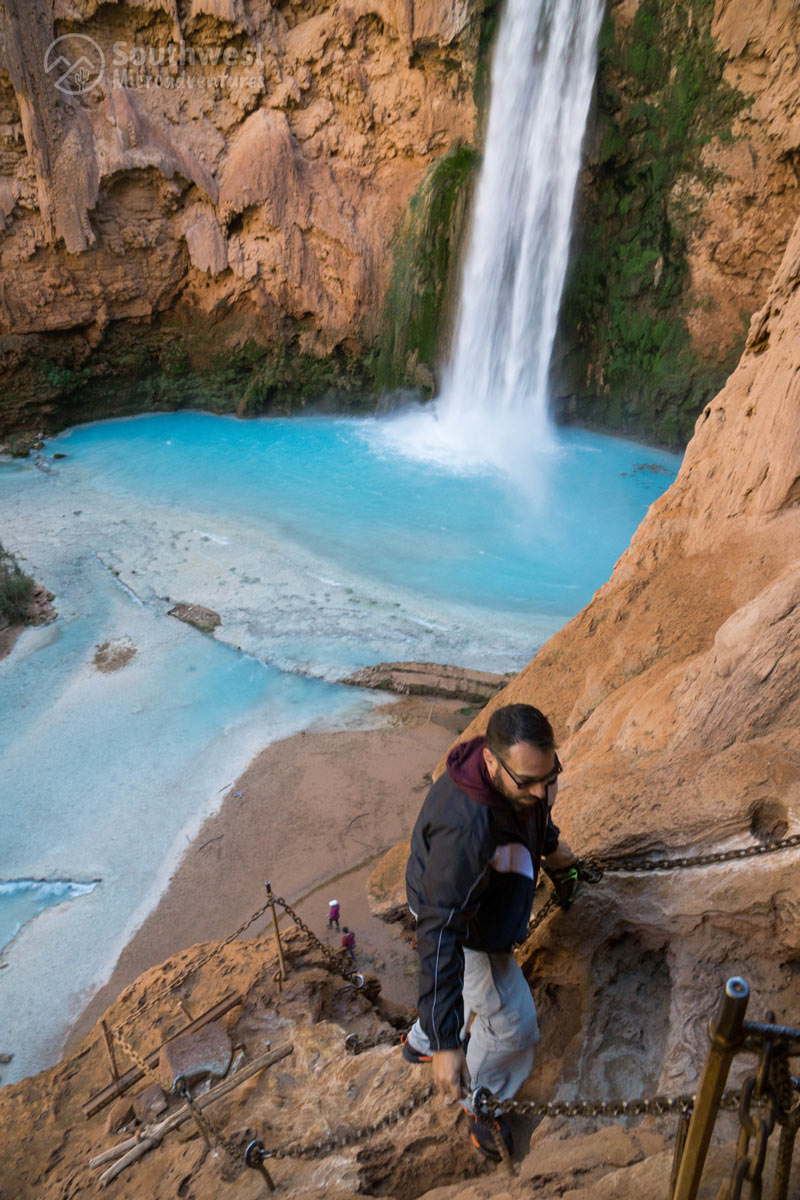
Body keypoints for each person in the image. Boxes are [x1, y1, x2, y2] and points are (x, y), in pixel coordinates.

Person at [403, 703, 579, 1159]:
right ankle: (480, 1098)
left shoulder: (517, 779)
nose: (542, 791)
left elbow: (531, 815)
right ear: (490, 762)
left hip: (476, 900)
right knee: (513, 1025)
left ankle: (420, 1039)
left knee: (469, 992)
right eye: (529, 782)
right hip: (460, 923)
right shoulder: (467, 832)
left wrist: (557, 853)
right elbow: (440, 933)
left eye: (551, 775)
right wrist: (447, 1045)